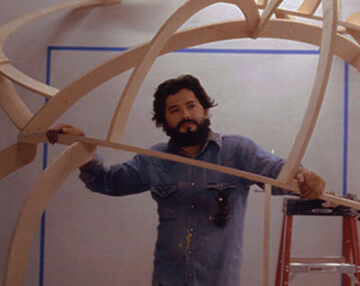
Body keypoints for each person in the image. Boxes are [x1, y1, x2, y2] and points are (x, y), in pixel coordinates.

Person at [47, 74, 325, 286]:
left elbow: (280, 173)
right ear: (163, 121)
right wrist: (83, 150)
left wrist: (303, 174)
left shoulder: (238, 151)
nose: (186, 116)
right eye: (175, 110)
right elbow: (109, 182)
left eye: (191, 106)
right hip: (168, 279)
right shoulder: (154, 159)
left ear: (205, 110)